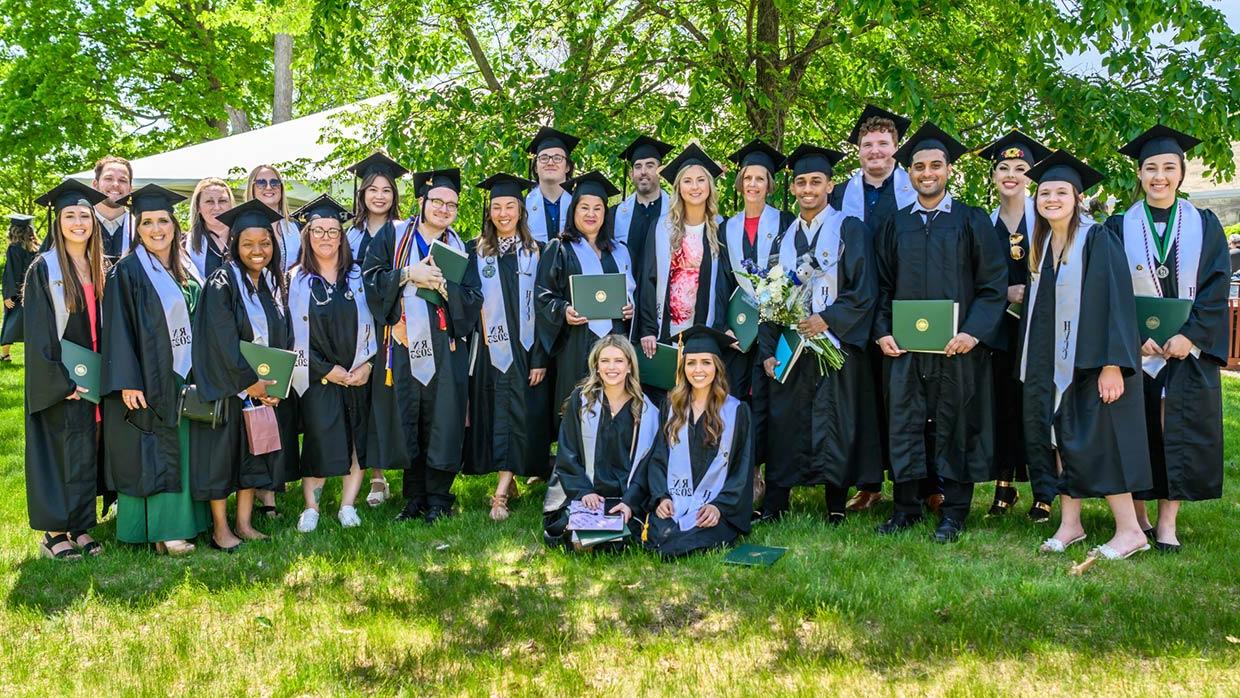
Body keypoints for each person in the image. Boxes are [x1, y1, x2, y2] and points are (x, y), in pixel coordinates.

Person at [872, 122, 1007, 543]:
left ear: (949, 170)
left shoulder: (971, 220)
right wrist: (882, 332)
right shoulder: (895, 225)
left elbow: (993, 285)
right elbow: (881, 286)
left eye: (935, 165)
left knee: (955, 421)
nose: (927, 173)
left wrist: (972, 333)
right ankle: (906, 508)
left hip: (956, 347)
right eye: (918, 166)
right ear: (908, 172)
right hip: (906, 347)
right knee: (905, 421)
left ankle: (954, 512)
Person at [1019, 151, 1153, 560]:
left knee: (1103, 440)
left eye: (1062, 192)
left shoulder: (1097, 239)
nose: (1052, 198)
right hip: (1051, 362)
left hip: (1093, 363)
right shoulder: (1041, 246)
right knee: (1059, 438)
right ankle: (1070, 524)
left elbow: (1117, 302)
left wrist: (1113, 364)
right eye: (1045, 192)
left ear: (1078, 198)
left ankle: (1131, 530)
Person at [1106, 125, 1231, 552]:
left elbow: (1216, 284)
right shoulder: (1119, 225)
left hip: (1184, 352)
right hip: (1137, 350)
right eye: (1151, 168)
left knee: (1175, 431)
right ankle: (1137, 518)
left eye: (1168, 168)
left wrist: (1191, 336)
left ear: (1180, 173)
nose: (1159, 176)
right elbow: (1110, 288)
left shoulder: (1205, 224)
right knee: (1137, 431)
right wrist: (1134, 334)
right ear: (1139, 174)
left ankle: (1168, 524)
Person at [757, 144, 880, 524]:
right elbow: (769, 297)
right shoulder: (783, 238)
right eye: (801, 182)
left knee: (834, 423)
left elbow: (865, 290)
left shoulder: (849, 229)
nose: (808, 188)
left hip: (833, 345)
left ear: (829, 186)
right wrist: (766, 350)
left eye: (816, 181)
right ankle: (777, 503)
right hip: (791, 347)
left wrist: (827, 319)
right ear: (792, 189)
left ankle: (835, 505)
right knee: (785, 421)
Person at [363, 167, 482, 524]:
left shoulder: (459, 248)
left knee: (443, 419)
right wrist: (407, 274)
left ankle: (440, 499)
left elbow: (473, 297)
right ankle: (413, 498)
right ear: (422, 202)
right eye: (438, 202)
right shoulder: (393, 235)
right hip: (402, 342)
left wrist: (448, 289)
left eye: (452, 205)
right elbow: (371, 278)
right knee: (409, 417)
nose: (444, 209)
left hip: (446, 348)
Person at [101, 184, 210, 555]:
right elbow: (116, 328)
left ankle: (187, 523)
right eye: (147, 222)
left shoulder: (183, 266)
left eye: (163, 220)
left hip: (183, 374)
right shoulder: (128, 271)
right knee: (156, 452)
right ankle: (162, 531)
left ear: (175, 225)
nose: (156, 229)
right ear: (137, 227)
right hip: (149, 378)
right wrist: (128, 380)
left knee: (182, 449)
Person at [190, 199, 295, 551]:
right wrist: (248, 380)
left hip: (259, 390)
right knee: (222, 460)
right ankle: (221, 530)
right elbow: (219, 338)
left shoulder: (268, 283)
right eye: (248, 243)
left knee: (252, 457)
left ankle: (244, 523)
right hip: (229, 388)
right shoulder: (223, 281)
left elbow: (281, 336)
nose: (257, 250)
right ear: (235, 244)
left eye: (264, 243)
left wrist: (276, 382)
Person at [830, 105, 920, 513]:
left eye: (883, 144)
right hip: (852, 313)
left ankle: (921, 483)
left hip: (900, 306)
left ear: (896, 148)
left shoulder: (914, 191)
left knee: (907, 400)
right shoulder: (839, 196)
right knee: (862, 401)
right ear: (859, 151)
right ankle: (869, 483)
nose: (876, 152)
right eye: (868, 145)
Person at [973, 131, 1056, 521]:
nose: (1011, 174)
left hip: (1038, 329)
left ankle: (1044, 490)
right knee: (1002, 406)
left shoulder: (1046, 219)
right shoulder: (982, 222)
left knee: (1036, 407)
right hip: (998, 331)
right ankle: (1004, 488)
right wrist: (1004, 292)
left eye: (1020, 169)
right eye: (1003, 168)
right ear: (993, 175)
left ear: (1030, 177)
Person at [23, 179, 108, 559]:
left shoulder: (99, 266)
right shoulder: (44, 267)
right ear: (58, 222)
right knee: (60, 449)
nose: (78, 222)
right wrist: (61, 380)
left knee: (87, 449)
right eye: (70, 216)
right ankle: (54, 532)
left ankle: (80, 525)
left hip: (94, 375)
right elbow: (39, 332)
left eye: (84, 216)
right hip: (63, 378)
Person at [462, 174, 553, 521]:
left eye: (510, 206)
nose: (503, 213)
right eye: (497, 207)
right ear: (489, 212)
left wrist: (541, 356)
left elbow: (545, 309)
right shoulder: (476, 251)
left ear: (520, 210)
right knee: (497, 412)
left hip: (528, 349)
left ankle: (500, 493)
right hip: (490, 349)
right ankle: (507, 476)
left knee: (518, 414)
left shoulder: (537, 252)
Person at [287, 195, 377, 533]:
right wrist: (326, 369)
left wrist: (367, 366)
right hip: (315, 373)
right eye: (319, 230)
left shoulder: (358, 276)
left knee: (356, 440)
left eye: (333, 231)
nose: (326, 237)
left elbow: (376, 325)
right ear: (307, 235)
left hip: (356, 372)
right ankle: (311, 507)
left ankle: (347, 506)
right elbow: (291, 335)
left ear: (342, 237)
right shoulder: (295, 280)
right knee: (318, 439)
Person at [535, 170, 636, 436]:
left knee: (615, 399)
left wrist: (630, 307)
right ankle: (573, 466)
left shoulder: (619, 250)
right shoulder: (559, 248)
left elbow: (630, 291)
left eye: (598, 208)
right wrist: (564, 310)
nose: (591, 214)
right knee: (577, 401)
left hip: (614, 339)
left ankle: (613, 463)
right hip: (576, 340)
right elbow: (544, 294)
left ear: (605, 213)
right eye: (584, 207)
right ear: (574, 211)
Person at [642, 325, 754, 558]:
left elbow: (741, 468)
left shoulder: (736, 411)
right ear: (683, 368)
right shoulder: (672, 406)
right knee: (663, 531)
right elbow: (659, 457)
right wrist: (662, 497)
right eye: (691, 362)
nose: (698, 370)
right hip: (676, 501)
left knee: (695, 532)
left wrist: (719, 507)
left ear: (717, 367)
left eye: (706, 362)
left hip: (713, 507)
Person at [543, 334, 659, 549]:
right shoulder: (582, 401)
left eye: (618, 360)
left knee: (627, 534)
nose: (611, 367)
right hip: (586, 493)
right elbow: (567, 452)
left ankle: (596, 536)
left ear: (629, 366)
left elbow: (647, 467)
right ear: (596, 366)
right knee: (566, 527)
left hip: (623, 497)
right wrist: (584, 491)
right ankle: (589, 534)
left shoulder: (646, 412)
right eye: (605, 361)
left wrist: (630, 502)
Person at [345, 151, 410, 508]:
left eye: (386, 189)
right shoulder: (349, 235)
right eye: (372, 189)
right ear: (362, 194)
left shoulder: (403, 233)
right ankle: (359, 470)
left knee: (382, 401)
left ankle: (379, 474)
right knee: (358, 401)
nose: (380, 196)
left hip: (389, 324)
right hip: (355, 323)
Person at [636, 144, 733, 368]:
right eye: (687, 181)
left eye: (701, 180)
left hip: (705, 330)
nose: (695, 187)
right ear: (678, 188)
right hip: (666, 328)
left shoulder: (721, 229)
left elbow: (726, 285)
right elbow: (648, 280)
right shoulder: (661, 227)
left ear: (710, 185)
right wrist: (648, 329)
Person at [722, 139, 794, 403]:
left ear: (769, 185)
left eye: (760, 179)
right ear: (740, 183)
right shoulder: (727, 227)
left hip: (775, 323)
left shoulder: (786, 222)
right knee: (736, 395)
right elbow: (722, 281)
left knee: (771, 397)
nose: (753, 184)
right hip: (739, 326)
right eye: (748, 178)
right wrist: (723, 326)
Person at [612, 134, 673, 274]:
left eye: (650, 166)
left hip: (666, 292)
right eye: (638, 167)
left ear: (661, 171)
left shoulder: (677, 210)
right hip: (627, 291)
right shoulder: (614, 215)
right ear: (631, 174)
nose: (643, 172)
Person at [245, 164, 302, 274]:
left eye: (274, 182)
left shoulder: (296, 227)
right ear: (252, 189)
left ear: (281, 188)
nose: (268, 187)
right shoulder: (242, 227)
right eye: (261, 183)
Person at [525, 127, 579, 243]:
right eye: (544, 158)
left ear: (567, 167)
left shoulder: (579, 204)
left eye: (557, 158)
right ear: (535, 167)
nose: (550, 162)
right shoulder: (522, 207)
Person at [2, 214, 39, 358]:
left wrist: (8, 295)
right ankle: (33, 355)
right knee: (31, 324)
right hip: (33, 291)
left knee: (10, 322)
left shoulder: (14, 248)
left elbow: (11, 273)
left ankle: (5, 355)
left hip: (16, 294)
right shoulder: (36, 248)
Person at [186, 177, 235, 278]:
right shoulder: (184, 245)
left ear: (230, 205)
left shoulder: (243, 238)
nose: (217, 207)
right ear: (198, 207)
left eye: (222, 201)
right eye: (209, 201)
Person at [92, 155, 134, 260]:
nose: (116, 184)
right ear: (95, 184)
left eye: (123, 180)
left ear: (130, 189)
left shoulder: (139, 229)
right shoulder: (77, 227)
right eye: (108, 178)